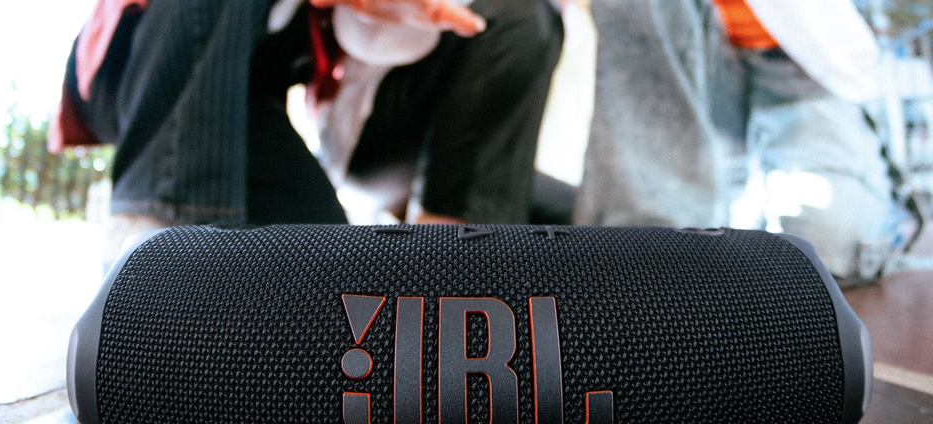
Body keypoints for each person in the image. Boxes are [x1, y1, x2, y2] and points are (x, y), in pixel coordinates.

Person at [51, 0, 564, 255]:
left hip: (241, 113)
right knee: (181, 270)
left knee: (323, 274)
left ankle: (446, 295)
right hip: (137, 66)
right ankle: (158, 260)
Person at [576, 0, 899, 285]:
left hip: (795, 61)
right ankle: (654, 245)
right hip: (686, 55)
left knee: (823, 253)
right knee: (649, 259)